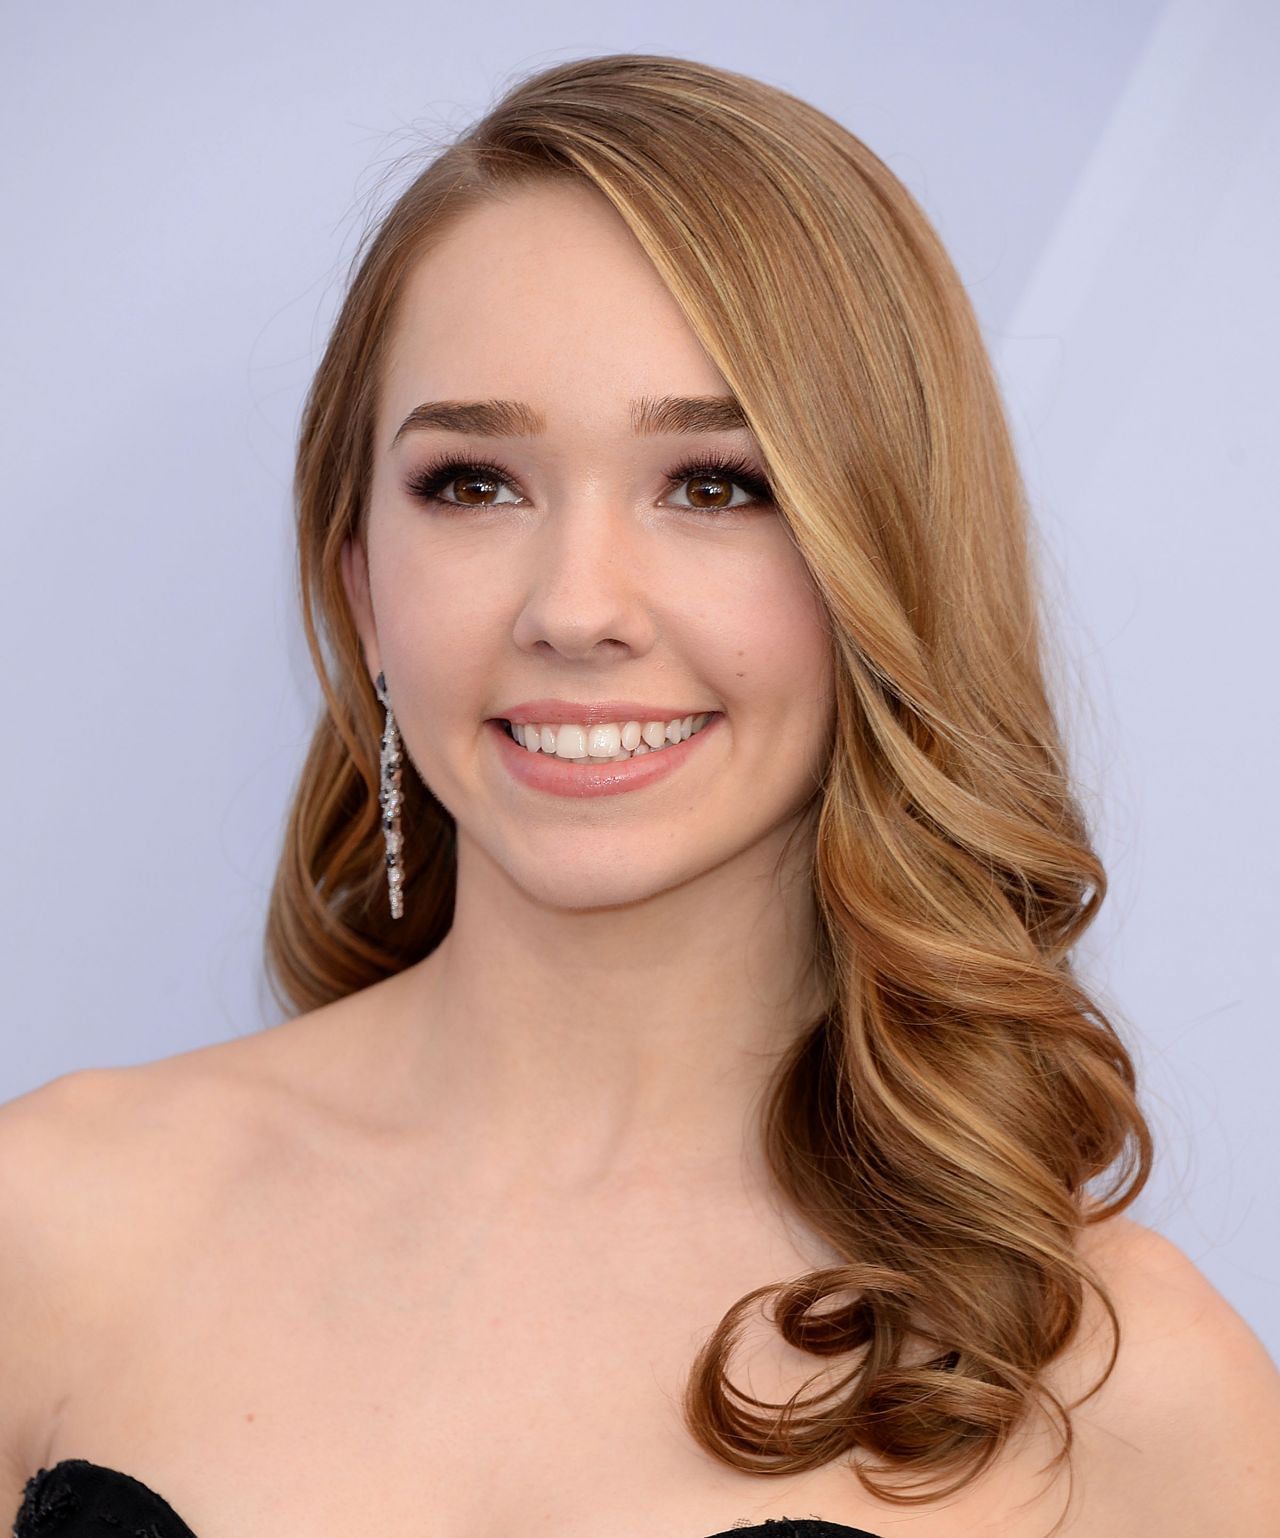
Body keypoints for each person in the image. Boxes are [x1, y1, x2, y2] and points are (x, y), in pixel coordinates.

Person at [2, 52, 1276, 1538]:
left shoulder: (1127, 1393)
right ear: (361, 588)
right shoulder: (48, 1221)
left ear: (890, 561)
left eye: (715, 483)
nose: (577, 607)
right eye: (475, 482)